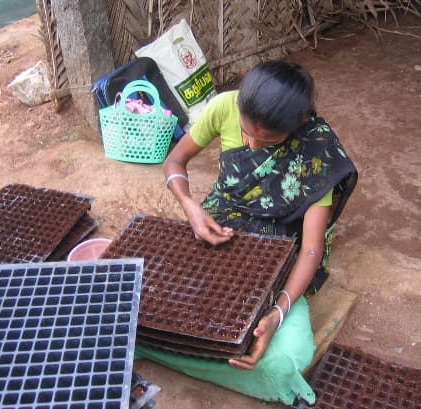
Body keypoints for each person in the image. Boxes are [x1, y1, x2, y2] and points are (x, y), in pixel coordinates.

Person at [135, 60, 358, 405]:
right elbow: (174, 162)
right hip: (218, 224)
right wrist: (192, 208)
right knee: (147, 308)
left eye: (267, 139)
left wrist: (276, 314)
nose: (252, 145)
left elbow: (311, 250)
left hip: (280, 244)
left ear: (296, 125)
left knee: (287, 358)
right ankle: (171, 344)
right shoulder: (224, 105)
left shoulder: (316, 150)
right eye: (246, 132)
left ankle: (165, 349)